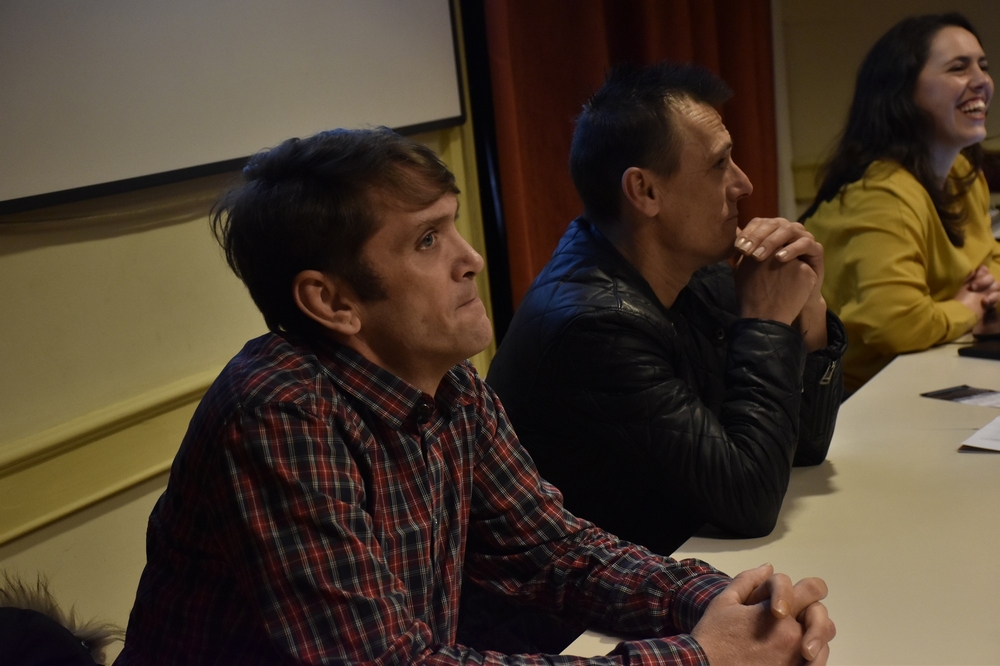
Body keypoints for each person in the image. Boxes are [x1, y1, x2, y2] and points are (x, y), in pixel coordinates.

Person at [115, 128, 835, 665]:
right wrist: (698, 657)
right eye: (427, 241)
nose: (471, 259)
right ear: (331, 301)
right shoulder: (279, 415)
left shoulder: (447, 382)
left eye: (452, 224)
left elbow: (556, 553)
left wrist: (727, 602)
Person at [486, 62, 846, 557]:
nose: (743, 184)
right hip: (578, 602)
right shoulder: (596, 327)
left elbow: (803, 447)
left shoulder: (694, 273)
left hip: (669, 563)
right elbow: (750, 502)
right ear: (645, 191)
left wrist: (809, 308)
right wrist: (765, 323)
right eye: (719, 165)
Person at [801, 12, 1000, 394]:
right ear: (903, 93)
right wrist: (968, 309)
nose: (982, 81)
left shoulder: (963, 173)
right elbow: (898, 325)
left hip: (924, 375)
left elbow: (991, 264)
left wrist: (985, 301)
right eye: (959, 68)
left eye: (984, 66)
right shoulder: (881, 193)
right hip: (852, 401)